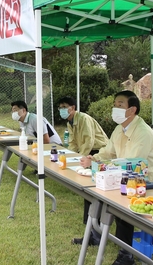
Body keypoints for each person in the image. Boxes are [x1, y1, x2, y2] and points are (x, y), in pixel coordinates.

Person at [78, 90, 153, 265]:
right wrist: (94, 158)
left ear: (132, 110)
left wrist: (104, 166)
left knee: (121, 205)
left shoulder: (142, 131)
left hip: (151, 182)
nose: (115, 108)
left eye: (120, 105)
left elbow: (133, 164)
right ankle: (94, 235)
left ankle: (126, 255)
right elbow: (108, 151)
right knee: (92, 193)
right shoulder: (120, 129)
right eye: (115, 104)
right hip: (128, 177)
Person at [58, 96, 109, 247]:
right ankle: (92, 230)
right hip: (88, 155)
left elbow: (89, 141)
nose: (61, 109)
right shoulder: (70, 122)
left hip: (98, 153)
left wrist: (84, 160)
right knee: (89, 192)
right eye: (60, 107)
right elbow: (73, 143)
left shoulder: (84, 118)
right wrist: (68, 155)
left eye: (64, 106)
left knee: (95, 191)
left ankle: (96, 233)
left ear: (72, 108)